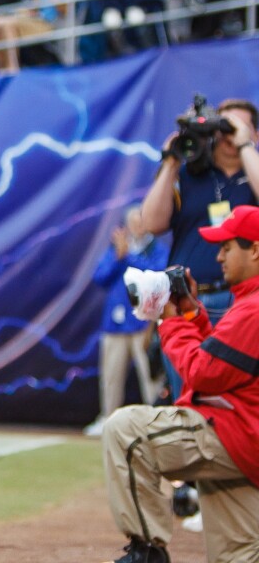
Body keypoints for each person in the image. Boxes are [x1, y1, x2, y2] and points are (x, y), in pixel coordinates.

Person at [100, 206, 259, 563]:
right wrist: (191, 314)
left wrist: (170, 321)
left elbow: (202, 372)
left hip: (237, 433)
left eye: (227, 247)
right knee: (239, 555)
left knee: (126, 430)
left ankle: (147, 553)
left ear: (255, 250)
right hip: (245, 443)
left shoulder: (254, 308)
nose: (218, 257)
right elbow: (223, 365)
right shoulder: (249, 301)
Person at [142, 98, 259, 399]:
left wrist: (246, 147)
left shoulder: (253, 173)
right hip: (191, 298)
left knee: (237, 398)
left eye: (238, 126)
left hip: (244, 305)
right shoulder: (190, 174)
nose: (228, 134)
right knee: (187, 391)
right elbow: (151, 222)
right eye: (223, 126)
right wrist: (172, 160)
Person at [84, 207, 169, 436]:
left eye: (141, 221)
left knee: (151, 376)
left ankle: (157, 421)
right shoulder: (116, 248)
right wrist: (118, 257)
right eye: (133, 222)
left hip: (144, 324)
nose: (137, 226)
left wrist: (129, 256)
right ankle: (107, 419)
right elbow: (100, 277)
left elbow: (158, 277)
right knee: (111, 376)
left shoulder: (157, 250)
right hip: (115, 325)